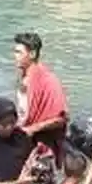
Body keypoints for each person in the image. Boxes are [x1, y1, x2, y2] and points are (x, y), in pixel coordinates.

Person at [13, 32, 69, 161]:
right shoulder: (23, 77)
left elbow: (61, 119)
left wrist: (33, 128)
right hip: (23, 138)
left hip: (43, 146)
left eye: (19, 52)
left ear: (32, 54)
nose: (15, 56)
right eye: (15, 52)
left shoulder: (48, 80)